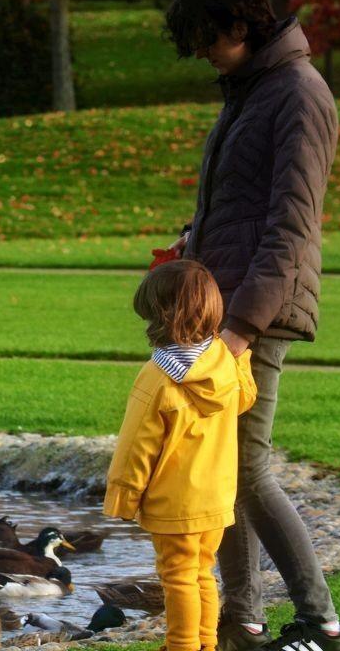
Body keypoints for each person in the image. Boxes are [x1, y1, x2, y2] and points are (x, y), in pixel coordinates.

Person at [162, 0, 340, 651]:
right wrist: (192, 243)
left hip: (254, 316)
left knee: (247, 468)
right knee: (221, 470)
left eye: (208, 40)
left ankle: (322, 625)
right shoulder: (250, 90)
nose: (204, 56)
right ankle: (240, 623)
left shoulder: (299, 94)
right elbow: (239, 203)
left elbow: (289, 228)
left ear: (240, 25)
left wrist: (242, 328)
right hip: (221, 309)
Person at [106, 260, 257, 651]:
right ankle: (206, 643)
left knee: (177, 576)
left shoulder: (157, 378)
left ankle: (182, 646)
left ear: (159, 315)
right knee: (202, 572)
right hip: (217, 499)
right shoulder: (224, 363)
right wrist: (242, 359)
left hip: (176, 504)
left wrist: (123, 497)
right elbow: (245, 399)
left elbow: (136, 445)